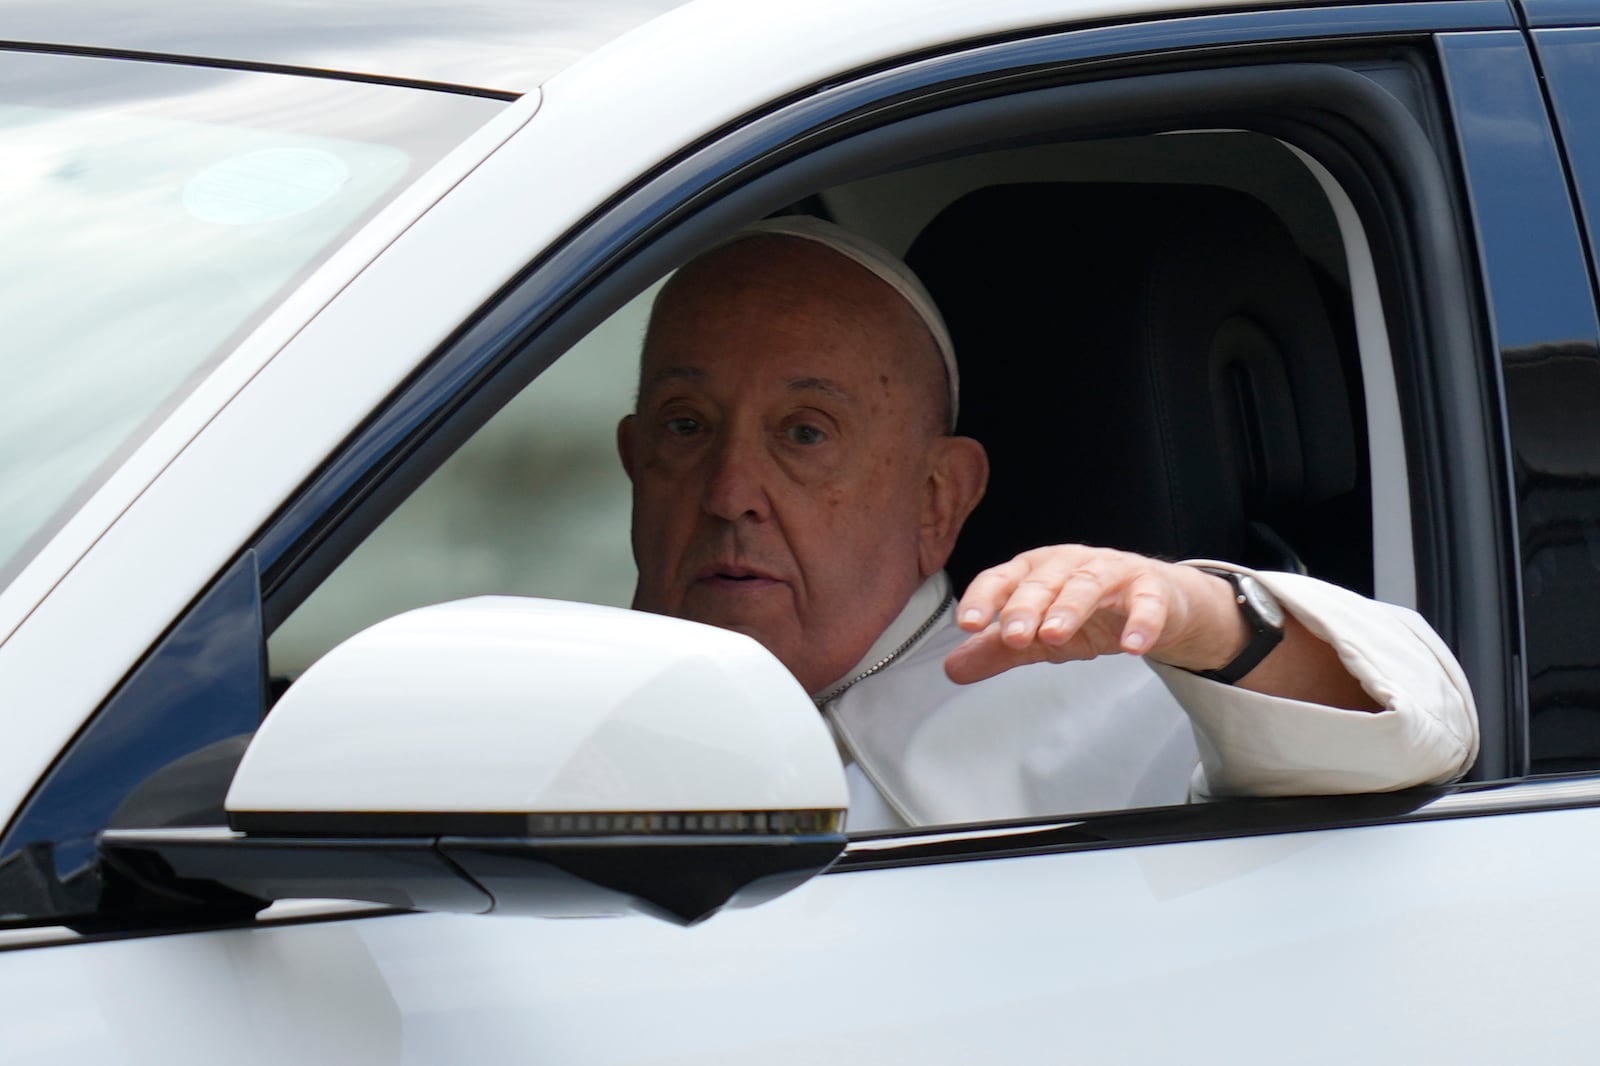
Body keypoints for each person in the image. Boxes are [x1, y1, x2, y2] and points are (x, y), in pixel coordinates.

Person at [617, 216, 1478, 830]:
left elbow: (1419, 732)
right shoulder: (545, 702)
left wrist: (1199, 612)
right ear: (633, 461)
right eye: (685, 425)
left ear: (937, 498)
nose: (730, 491)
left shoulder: (1103, 703)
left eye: (804, 433)